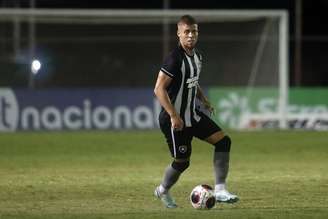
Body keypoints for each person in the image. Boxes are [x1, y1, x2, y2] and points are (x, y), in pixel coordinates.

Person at [153, 15, 239, 208]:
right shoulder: (174, 59)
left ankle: (221, 189)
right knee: (182, 162)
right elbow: (158, 89)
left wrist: (204, 100)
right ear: (179, 34)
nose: (191, 35)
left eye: (194, 31)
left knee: (223, 141)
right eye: (187, 32)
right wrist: (174, 115)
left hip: (193, 115)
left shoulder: (198, 56)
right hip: (174, 120)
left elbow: (192, 81)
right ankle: (162, 190)